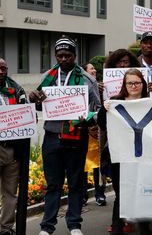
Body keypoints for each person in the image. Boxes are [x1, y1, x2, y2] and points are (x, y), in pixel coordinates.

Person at [29, 36, 101, 235]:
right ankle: (47, 226)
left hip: (77, 136)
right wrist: (34, 99)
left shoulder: (87, 79)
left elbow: (99, 108)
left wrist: (89, 118)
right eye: (59, 56)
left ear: (75, 56)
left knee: (76, 182)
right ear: (55, 56)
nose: (63, 59)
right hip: (52, 136)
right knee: (53, 184)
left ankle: (74, 224)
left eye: (67, 55)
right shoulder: (48, 76)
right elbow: (40, 104)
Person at [101, 49, 142, 235]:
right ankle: (117, 227)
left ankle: (135, 223)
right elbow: (102, 124)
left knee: (137, 191)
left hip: (140, 157)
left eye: (137, 82)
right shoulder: (115, 102)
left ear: (142, 84)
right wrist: (104, 109)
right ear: (124, 84)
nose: (133, 86)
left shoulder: (150, 102)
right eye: (130, 83)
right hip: (119, 156)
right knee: (120, 193)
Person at [0, 58, 27, 235]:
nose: (1, 72)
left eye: (4, 68)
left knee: (10, 192)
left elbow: (25, 115)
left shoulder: (16, 89)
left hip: (11, 149)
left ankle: (5, 229)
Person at [81, 62, 107, 207]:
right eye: (91, 69)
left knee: (98, 163)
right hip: (85, 129)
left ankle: (99, 192)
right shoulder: (82, 86)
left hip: (98, 129)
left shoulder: (101, 86)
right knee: (85, 164)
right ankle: (84, 194)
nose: (94, 70)